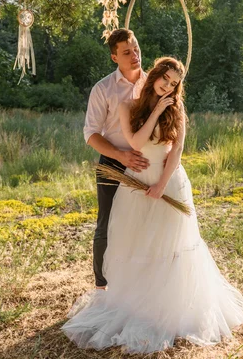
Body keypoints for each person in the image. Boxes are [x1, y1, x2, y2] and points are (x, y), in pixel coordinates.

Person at [62, 57, 243, 353]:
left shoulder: (178, 109)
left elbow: (178, 150)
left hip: (169, 181)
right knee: (139, 243)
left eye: (174, 84)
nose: (168, 86)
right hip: (136, 182)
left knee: (170, 245)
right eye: (166, 78)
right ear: (155, 75)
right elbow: (136, 143)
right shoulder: (130, 106)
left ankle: (170, 308)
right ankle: (140, 306)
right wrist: (157, 109)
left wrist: (162, 184)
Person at [83, 29, 149, 290]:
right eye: (126, 52)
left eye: (136, 48)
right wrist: (121, 155)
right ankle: (102, 287)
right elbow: (91, 134)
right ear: (114, 58)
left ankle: (136, 284)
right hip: (113, 163)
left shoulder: (152, 84)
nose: (135, 55)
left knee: (144, 224)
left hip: (145, 165)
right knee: (107, 225)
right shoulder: (103, 89)